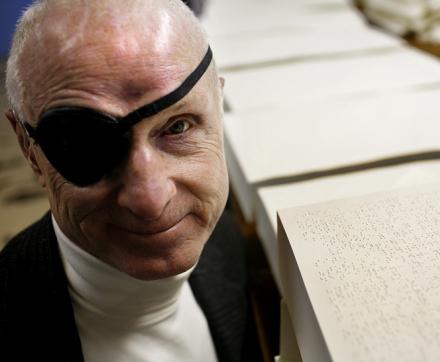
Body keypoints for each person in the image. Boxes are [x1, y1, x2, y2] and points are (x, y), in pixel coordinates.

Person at [0, 0, 258, 361]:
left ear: (218, 103)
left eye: (178, 126)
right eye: (86, 144)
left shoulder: (223, 242)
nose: (151, 201)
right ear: (29, 149)